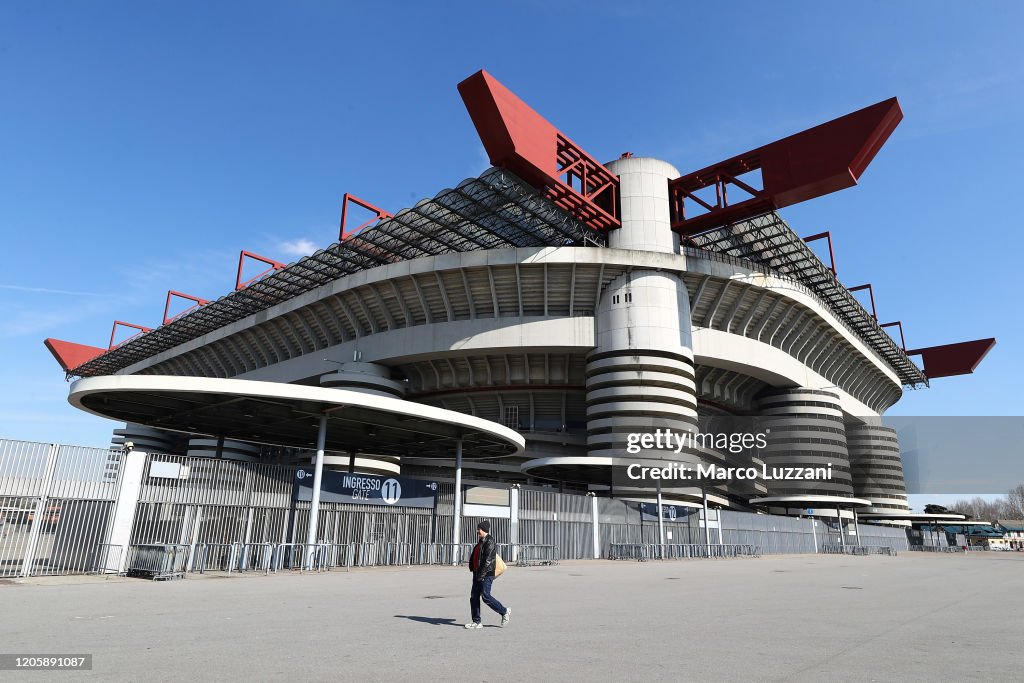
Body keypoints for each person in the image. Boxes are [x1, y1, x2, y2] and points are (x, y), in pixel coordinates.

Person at [465, 520, 511, 629]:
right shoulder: (481, 541)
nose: (477, 531)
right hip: (477, 573)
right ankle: (476, 621)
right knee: (474, 597)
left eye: (479, 529)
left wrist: (481, 574)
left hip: (486, 574)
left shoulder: (489, 541)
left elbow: (488, 560)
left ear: (484, 529)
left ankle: (504, 611)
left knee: (485, 596)